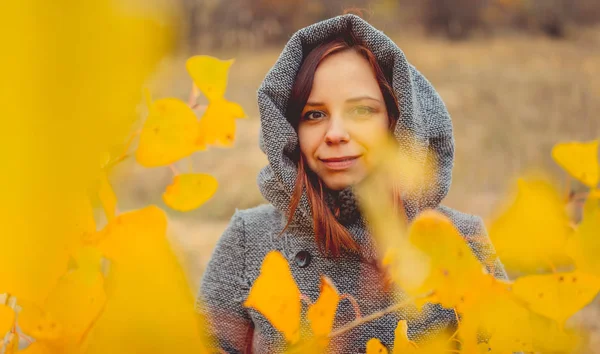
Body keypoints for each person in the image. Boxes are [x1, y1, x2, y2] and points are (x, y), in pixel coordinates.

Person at [197, 13, 507, 353]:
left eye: (361, 111)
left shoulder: (462, 243)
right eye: (314, 114)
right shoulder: (249, 241)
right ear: (289, 131)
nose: (335, 134)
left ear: (396, 121)